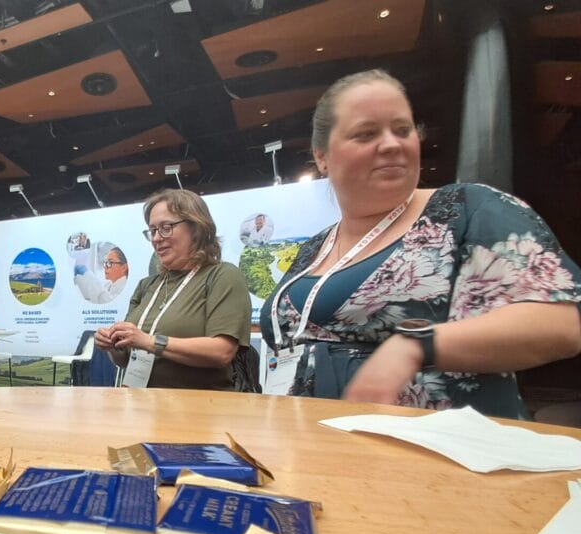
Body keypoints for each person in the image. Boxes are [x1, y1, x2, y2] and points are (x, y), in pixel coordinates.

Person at [260, 69, 581, 418]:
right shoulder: (315, 247)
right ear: (322, 156)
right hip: (315, 438)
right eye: (366, 133)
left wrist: (416, 344)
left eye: (402, 130)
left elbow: (560, 325)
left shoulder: (466, 209)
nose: (391, 144)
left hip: (439, 443)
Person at [96, 189, 251, 390]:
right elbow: (124, 360)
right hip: (141, 403)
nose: (156, 238)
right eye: (152, 230)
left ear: (197, 228)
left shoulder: (222, 276)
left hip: (198, 405)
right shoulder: (146, 286)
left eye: (166, 228)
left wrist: (150, 342)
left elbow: (221, 352)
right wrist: (112, 346)